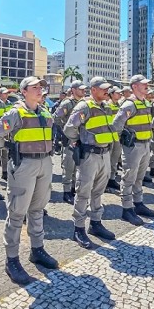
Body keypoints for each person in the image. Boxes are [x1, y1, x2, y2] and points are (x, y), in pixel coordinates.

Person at [0, 76, 58, 284]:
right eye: (34, 87)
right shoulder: (15, 112)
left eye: (41, 87)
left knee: (37, 209)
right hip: (24, 165)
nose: (39, 90)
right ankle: (11, 260)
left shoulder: (45, 112)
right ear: (24, 91)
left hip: (44, 163)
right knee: (17, 212)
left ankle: (37, 250)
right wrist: (12, 149)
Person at [64, 77, 118, 248]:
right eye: (102, 88)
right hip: (89, 155)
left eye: (107, 89)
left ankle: (96, 223)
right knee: (83, 192)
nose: (106, 91)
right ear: (93, 89)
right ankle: (79, 229)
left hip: (104, 154)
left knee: (98, 192)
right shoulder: (84, 106)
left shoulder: (107, 107)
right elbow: (69, 128)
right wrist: (77, 142)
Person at [112, 75, 154, 225]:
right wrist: (124, 138)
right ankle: (127, 209)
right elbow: (116, 125)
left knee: (139, 177)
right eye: (143, 84)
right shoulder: (128, 105)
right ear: (134, 87)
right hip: (133, 146)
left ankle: (138, 203)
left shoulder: (145, 103)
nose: (147, 85)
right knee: (129, 178)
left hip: (145, 144)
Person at [53, 80, 87, 204]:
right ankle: (66, 192)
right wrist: (66, 130)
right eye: (80, 89)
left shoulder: (84, 103)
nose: (83, 91)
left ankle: (73, 189)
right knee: (69, 166)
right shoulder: (67, 103)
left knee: (78, 166)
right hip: (70, 140)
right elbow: (56, 118)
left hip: (81, 139)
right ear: (73, 90)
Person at [104, 86, 123, 193]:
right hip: (110, 136)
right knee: (108, 159)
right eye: (117, 93)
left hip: (118, 136)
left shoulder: (119, 105)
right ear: (111, 94)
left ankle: (111, 178)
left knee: (115, 159)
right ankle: (104, 182)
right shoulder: (108, 106)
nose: (120, 95)